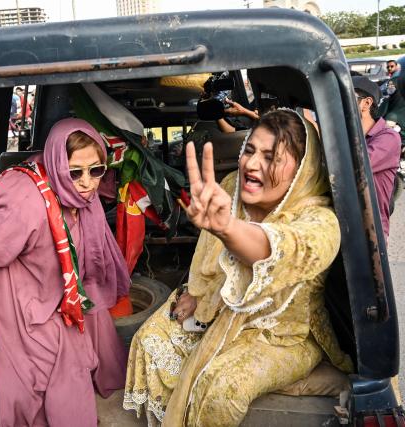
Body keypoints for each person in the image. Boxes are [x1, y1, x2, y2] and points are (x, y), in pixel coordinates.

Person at [123, 109, 352, 426]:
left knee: (220, 387)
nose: (252, 164)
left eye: (271, 157)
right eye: (250, 149)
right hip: (220, 308)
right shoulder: (232, 186)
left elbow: (274, 248)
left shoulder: (320, 223)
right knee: (150, 339)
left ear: (301, 171)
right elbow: (207, 258)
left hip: (281, 337)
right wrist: (197, 294)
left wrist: (228, 229)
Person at [0, 118, 130, 426]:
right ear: (58, 166)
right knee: (35, 367)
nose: (88, 183)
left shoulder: (80, 195)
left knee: (78, 346)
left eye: (96, 170)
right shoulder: (27, 207)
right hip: (0, 267)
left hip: (36, 265)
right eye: (75, 172)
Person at [353, 76, 401, 239]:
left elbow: (354, 166)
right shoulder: (347, 136)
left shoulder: (388, 138)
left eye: (344, 98)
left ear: (366, 103)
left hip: (371, 233)